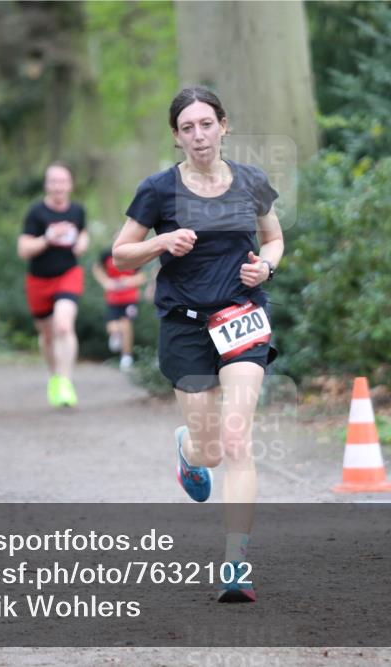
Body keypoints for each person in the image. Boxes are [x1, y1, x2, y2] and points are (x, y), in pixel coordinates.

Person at [112, 87, 284, 603]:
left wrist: (266, 265)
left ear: (224, 126)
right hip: (185, 325)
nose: (199, 135)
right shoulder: (158, 191)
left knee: (236, 440)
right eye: (187, 127)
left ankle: (236, 563)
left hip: (241, 316)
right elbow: (121, 256)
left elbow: (272, 238)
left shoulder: (251, 181)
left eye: (206, 124)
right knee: (209, 449)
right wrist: (161, 242)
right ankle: (187, 451)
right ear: (176, 136)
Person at [17, 163, 90, 407]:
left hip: (68, 274)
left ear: (70, 185)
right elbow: (23, 249)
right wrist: (48, 238)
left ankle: (66, 382)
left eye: (63, 181)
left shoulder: (78, 211)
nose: (59, 186)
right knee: (47, 334)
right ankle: (54, 378)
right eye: (54, 182)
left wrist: (81, 242)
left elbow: (83, 233)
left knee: (63, 325)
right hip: (39, 280)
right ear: (47, 185)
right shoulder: (36, 212)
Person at [91, 248, 147, 371]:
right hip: (113, 299)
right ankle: (116, 336)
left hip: (130, 298)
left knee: (126, 325)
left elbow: (142, 277)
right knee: (112, 327)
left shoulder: (134, 254)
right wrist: (106, 282)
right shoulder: (107, 255)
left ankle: (126, 358)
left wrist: (128, 281)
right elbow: (97, 268)